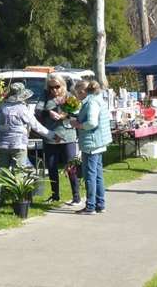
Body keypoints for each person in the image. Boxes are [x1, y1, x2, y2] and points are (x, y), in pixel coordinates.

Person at [36, 73, 82, 207]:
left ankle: (76, 196)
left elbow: (78, 113)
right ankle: (55, 195)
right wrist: (48, 112)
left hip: (68, 136)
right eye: (51, 88)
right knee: (51, 167)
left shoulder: (69, 96)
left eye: (57, 87)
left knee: (71, 167)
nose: (54, 90)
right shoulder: (45, 96)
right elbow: (37, 111)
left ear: (62, 85)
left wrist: (66, 114)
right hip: (50, 136)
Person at [0, 82, 54, 174]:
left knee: (2, 174)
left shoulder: (1, 108)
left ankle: (1, 189)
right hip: (18, 144)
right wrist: (51, 135)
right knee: (18, 173)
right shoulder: (22, 109)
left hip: (2, 145)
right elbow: (35, 125)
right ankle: (17, 188)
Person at [70, 80, 112, 215]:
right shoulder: (98, 99)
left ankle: (91, 206)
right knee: (98, 175)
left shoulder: (91, 102)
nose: (77, 97)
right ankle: (100, 204)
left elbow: (92, 122)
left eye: (77, 94)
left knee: (90, 175)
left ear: (82, 91)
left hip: (92, 142)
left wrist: (78, 125)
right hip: (99, 142)